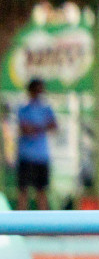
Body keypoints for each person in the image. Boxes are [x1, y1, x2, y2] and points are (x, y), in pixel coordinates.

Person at [13, 79, 58, 211]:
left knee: (41, 191)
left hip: (41, 156)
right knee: (23, 191)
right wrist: (42, 127)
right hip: (26, 156)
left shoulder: (46, 109)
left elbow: (53, 126)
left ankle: (44, 221)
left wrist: (35, 128)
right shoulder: (24, 109)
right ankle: (20, 220)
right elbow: (25, 129)